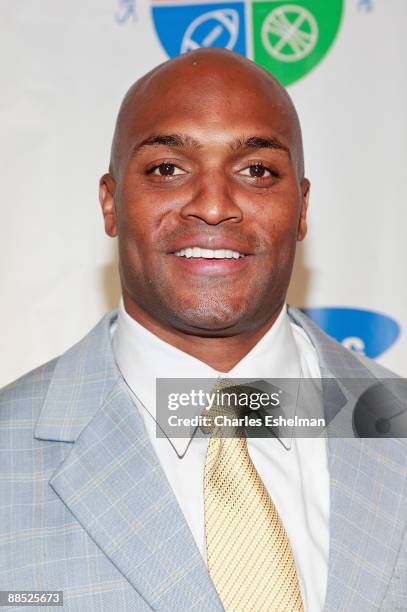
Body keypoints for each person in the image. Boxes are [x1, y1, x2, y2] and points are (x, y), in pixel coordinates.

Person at [0, 48, 405, 612]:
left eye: (257, 171)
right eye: (168, 169)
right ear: (111, 202)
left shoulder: (394, 421)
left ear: (302, 207)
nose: (214, 206)